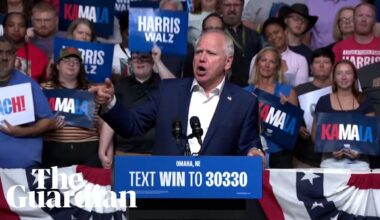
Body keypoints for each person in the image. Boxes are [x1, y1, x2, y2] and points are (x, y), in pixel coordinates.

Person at [91, 30, 265, 159]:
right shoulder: (168, 91)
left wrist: (255, 153)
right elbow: (132, 124)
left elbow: (250, 146)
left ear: (227, 62)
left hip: (216, 201)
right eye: (198, 52)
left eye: (210, 53)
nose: (201, 58)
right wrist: (110, 103)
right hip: (167, 196)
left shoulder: (244, 102)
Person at [41, 47, 112, 168]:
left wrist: (106, 153)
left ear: (80, 68)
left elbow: (107, 123)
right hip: (54, 150)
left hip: (88, 150)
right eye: (66, 60)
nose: (71, 64)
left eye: (76, 62)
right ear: (57, 66)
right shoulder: (43, 90)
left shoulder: (92, 91)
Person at [0, 36, 55, 168]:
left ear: (15, 57)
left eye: (10, 53)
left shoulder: (28, 84)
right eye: (0, 52)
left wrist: (21, 132)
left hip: (23, 169)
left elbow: (49, 121)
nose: (4, 58)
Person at [312, 60, 375, 170]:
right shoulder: (323, 101)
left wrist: (360, 151)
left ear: (354, 77)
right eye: (339, 73)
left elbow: (373, 134)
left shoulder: (365, 100)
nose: (344, 77)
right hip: (330, 162)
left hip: (360, 163)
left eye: (348, 73)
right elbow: (315, 135)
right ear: (334, 78)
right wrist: (330, 150)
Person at [245, 47, 298, 168]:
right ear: (257, 63)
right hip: (253, 151)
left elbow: (294, 129)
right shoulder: (245, 93)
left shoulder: (288, 92)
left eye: (272, 61)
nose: (267, 65)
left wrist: (286, 109)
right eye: (263, 60)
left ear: (277, 66)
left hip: (281, 152)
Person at [293, 48, 334, 168]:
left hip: (334, 156)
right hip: (304, 156)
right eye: (317, 62)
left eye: (326, 62)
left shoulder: (340, 91)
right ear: (311, 67)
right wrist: (298, 128)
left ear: (332, 66)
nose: (321, 65)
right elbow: (290, 119)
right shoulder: (298, 91)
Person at [250, 17, 308, 87]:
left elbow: (301, 90)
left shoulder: (300, 60)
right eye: (269, 35)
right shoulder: (257, 58)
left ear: (285, 32)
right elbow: (252, 86)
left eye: (276, 32)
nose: (273, 37)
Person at [221, 0, 262, 87]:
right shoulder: (216, 34)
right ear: (221, 7)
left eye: (236, 5)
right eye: (227, 5)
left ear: (242, 7)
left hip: (252, 90)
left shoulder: (254, 35)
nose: (232, 9)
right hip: (224, 90)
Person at [3, 12, 49, 82]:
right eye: (11, 25)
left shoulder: (38, 54)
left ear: (26, 30)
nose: (16, 29)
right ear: (4, 29)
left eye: (21, 26)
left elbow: (46, 83)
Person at [333, 3, 380, 69]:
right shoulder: (339, 48)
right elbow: (334, 76)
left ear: (374, 21)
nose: (363, 19)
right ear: (354, 19)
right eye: (360, 15)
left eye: (368, 16)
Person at [282, 3, 318, 76]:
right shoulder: (273, 49)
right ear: (286, 20)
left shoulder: (309, 55)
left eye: (304, 20)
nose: (300, 22)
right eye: (296, 18)